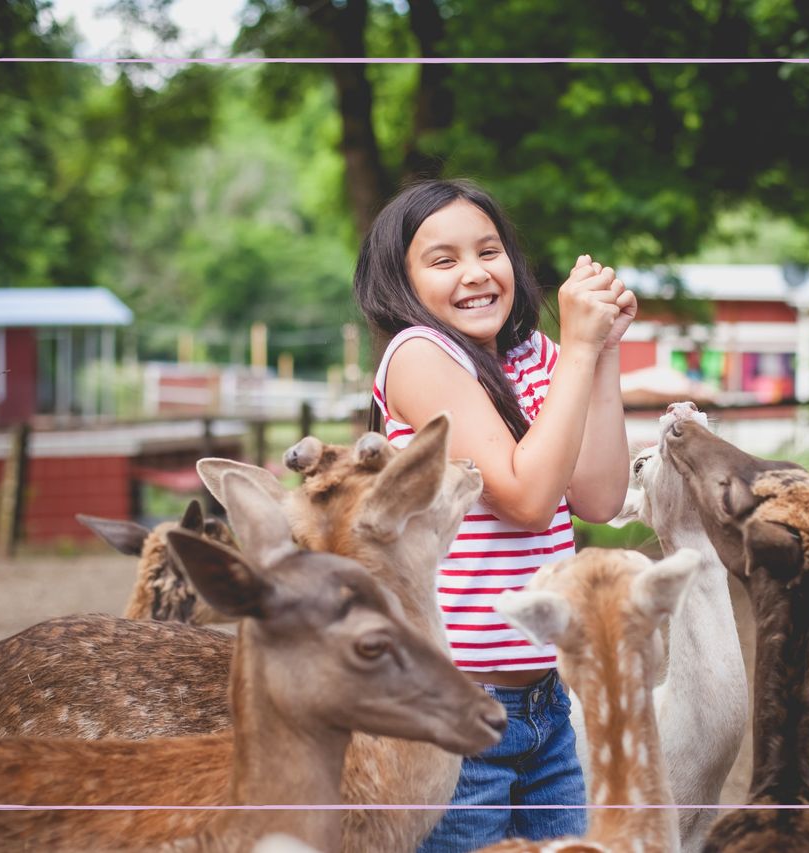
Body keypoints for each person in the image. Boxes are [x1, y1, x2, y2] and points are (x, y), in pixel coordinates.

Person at [353, 178, 634, 850]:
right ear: (400, 280)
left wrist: (604, 351)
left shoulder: (535, 357)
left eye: (490, 250)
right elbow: (528, 497)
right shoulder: (419, 358)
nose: (476, 273)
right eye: (444, 260)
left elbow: (598, 498)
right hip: (452, 713)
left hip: (546, 702)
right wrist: (583, 353)